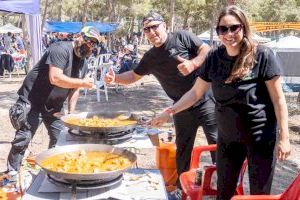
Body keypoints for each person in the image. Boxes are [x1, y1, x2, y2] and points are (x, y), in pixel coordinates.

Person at [151, 6, 291, 200]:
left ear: (244, 27)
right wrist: (170, 111)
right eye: (223, 29)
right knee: (223, 193)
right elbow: (195, 93)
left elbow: (278, 99)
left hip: (260, 137)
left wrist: (285, 137)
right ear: (218, 32)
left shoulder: (262, 55)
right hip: (227, 138)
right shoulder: (214, 58)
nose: (229, 34)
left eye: (234, 28)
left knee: (259, 194)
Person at [105, 11, 217, 189]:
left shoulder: (182, 37)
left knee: (216, 146)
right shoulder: (150, 57)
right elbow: (134, 75)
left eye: (154, 27)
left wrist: (193, 63)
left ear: (164, 25)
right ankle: (181, 189)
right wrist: (115, 79)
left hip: (206, 100)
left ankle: (223, 187)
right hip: (180, 107)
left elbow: (206, 50)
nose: (151, 32)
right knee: (182, 150)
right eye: (146, 29)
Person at [5, 26, 101, 174]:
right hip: (32, 101)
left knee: (61, 140)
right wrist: (82, 83)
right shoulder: (60, 49)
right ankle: (12, 175)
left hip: (54, 106)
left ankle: (52, 173)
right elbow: (55, 78)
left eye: (94, 43)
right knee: (23, 139)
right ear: (79, 36)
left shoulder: (83, 63)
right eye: (88, 40)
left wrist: (71, 114)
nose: (90, 45)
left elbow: (75, 89)